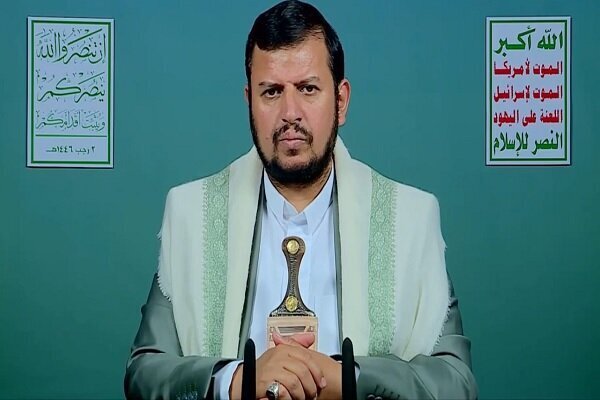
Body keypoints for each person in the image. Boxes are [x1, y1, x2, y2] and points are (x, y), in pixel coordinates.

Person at [124, 1, 478, 399]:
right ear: (249, 101)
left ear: (340, 101)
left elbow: (455, 382)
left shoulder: (409, 218)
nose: (289, 113)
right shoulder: (191, 214)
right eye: (272, 92)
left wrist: (345, 379)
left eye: (308, 89)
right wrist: (238, 380)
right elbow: (145, 373)